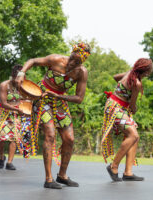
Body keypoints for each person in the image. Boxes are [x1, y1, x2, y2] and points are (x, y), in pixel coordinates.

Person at [15, 43, 91, 189]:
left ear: (82, 62)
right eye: (73, 59)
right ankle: (48, 179)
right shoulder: (56, 59)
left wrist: (58, 96)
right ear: (71, 53)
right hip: (42, 98)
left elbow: (79, 98)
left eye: (78, 62)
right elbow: (32, 61)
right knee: (50, 135)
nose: (73, 63)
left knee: (69, 139)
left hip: (60, 101)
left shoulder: (81, 72)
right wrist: (21, 73)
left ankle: (62, 176)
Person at [102, 58, 153, 182]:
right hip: (116, 107)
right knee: (133, 135)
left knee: (135, 136)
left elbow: (115, 77)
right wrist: (134, 110)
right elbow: (132, 105)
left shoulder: (129, 73)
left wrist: (121, 89)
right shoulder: (136, 83)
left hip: (113, 105)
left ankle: (128, 172)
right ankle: (113, 166)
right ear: (146, 72)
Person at [0, 64, 27, 170]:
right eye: (18, 78)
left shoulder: (23, 86)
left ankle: (10, 162)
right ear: (13, 75)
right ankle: (2, 157)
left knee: (14, 138)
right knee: (0, 138)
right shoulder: (4, 85)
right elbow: (3, 103)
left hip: (15, 115)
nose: (20, 80)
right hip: (3, 113)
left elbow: (27, 98)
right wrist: (17, 109)